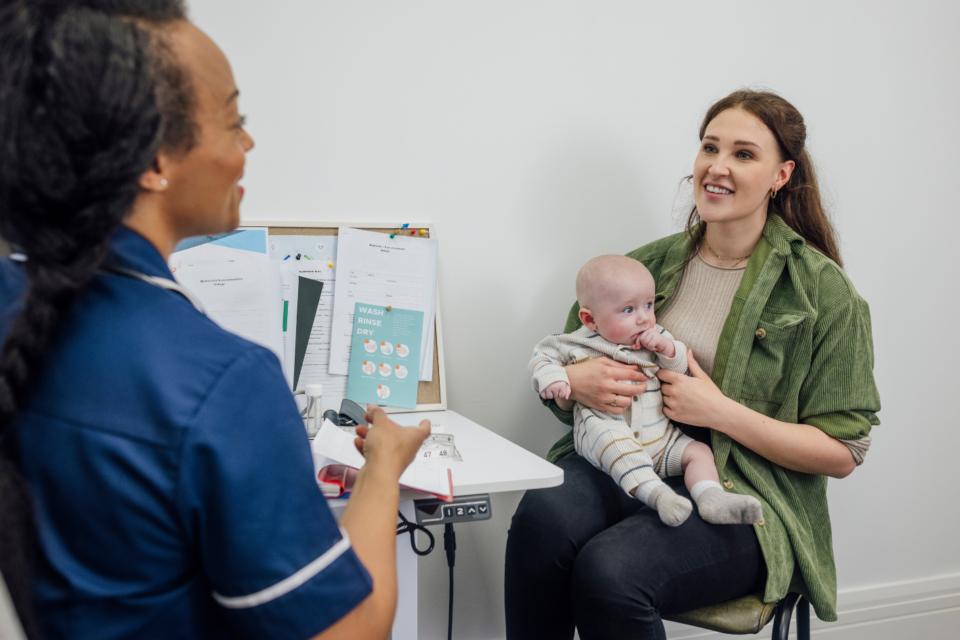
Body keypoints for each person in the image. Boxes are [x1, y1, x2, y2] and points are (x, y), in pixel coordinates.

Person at [0, 1, 429, 638]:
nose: (248, 143)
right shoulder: (220, 382)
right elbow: (350, 631)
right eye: (235, 120)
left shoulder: (18, 302)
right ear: (152, 160)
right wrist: (383, 472)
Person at [505, 89, 881, 640]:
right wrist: (578, 385)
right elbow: (569, 360)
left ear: (782, 174)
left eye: (744, 154)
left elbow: (844, 452)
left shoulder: (823, 294)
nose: (718, 167)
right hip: (628, 454)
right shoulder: (645, 266)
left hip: (741, 489)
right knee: (542, 521)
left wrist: (720, 411)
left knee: (611, 571)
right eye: (710, 147)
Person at [528, 254, 762, 527]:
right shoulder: (574, 343)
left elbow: (679, 366)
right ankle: (660, 496)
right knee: (615, 445)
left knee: (697, 452)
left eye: (648, 305)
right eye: (628, 310)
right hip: (607, 431)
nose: (644, 319)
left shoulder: (655, 337)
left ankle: (711, 496)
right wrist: (560, 379)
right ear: (590, 319)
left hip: (661, 440)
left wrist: (667, 349)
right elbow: (541, 360)